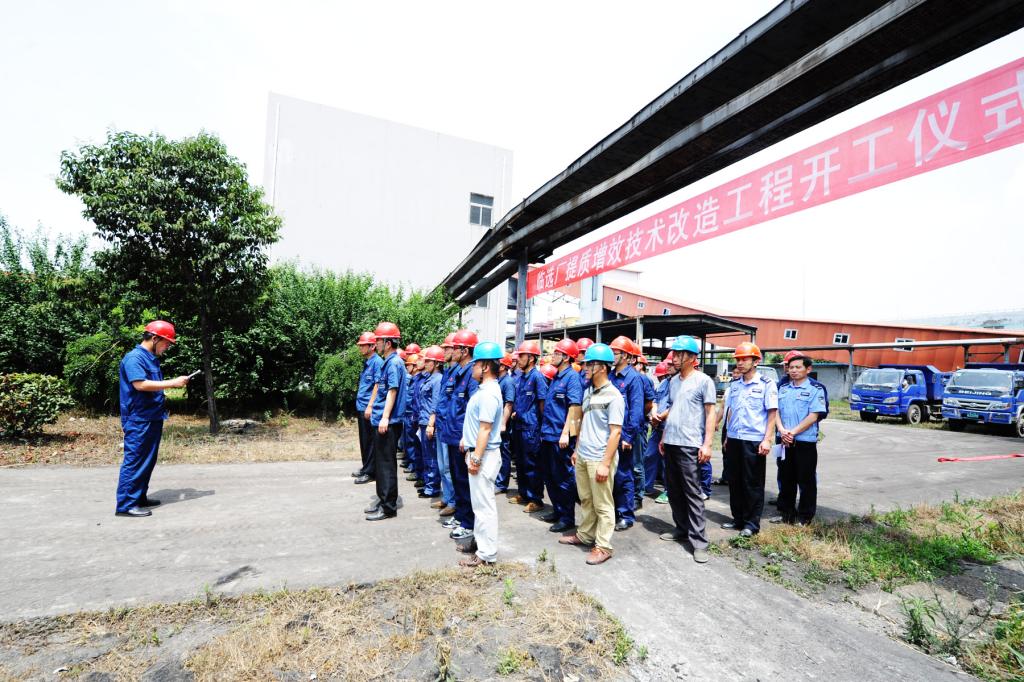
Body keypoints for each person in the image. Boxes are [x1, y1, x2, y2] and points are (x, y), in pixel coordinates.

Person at [115, 321, 191, 517]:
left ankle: (138, 497)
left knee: (147, 461)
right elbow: (140, 384)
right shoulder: (134, 358)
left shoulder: (150, 358)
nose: (167, 347)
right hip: (139, 419)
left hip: (152, 416)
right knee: (135, 461)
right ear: (155, 338)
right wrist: (173, 383)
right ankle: (126, 505)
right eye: (167, 343)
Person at [558, 343, 623, 565]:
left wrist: (605, 463)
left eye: (589, 364)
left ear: (602, 367)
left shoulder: (614, 396)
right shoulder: (588, 392)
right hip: (584, 455)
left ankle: (603, 546)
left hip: (599, 458)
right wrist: (577, 450)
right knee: (586, 498)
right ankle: (585, 535)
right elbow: (583, 423)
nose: (585, 368)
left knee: (603, 504)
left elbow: (615, 433)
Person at [657, 337, 717, 563]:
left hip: (690, 444)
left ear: (692, 357)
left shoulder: (703, 381)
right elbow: (673, 409)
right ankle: (681, 528)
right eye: (673, 353)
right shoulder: (673, 381)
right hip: (671, 442)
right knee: (673, 490)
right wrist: (664, 436)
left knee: (692, 492)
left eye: (679, 354)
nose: (674, 357)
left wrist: (707, 443)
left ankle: (699, 542)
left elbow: (710, 413)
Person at [456, 341, 506, 568]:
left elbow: (485, 429)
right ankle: (480, 545)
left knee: (484, 506)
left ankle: (486, 554)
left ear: (485, 367)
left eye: (476, 364)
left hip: (484, 456)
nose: (473, 368)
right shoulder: (485, 390)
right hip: (479, 452)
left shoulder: (489, 393)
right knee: (479, 505)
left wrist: (475, 457)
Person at [721, 342, 778, 537]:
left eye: (744, 359)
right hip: (735, 439)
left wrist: (767, 439)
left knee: (752, 483)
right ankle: (738, 519)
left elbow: (772, 413)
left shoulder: (766, 384)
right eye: (738, 359)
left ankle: (751, 524)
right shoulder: (735, 385)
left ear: (756, 361)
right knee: (735, 481)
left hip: (754, 440)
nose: (740, 363)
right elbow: (730, 411)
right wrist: (728, 436)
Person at [772, 353, 827, 525]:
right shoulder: (782, 389)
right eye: (791, 367)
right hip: (783, 441)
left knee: (806, 480)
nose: (793, 370)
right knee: (786, 478)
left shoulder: (815, 389)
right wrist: (782, 430)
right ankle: (786, 514)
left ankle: (805, 517)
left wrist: (792, 433)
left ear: (808, 369)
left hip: (804, 442)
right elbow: (775, 411)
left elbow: (814, 415)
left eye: (798, 367)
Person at [539, 338, 584, 534]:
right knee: (550, 476)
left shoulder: (572, 378)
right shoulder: (557, 376)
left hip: (561, 437)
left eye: (557, 353)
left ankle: (567, 517)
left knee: (563, 478)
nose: (553, 356)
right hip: (548, 435)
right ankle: (557, 510)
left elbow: (575, 407)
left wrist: (566, 433)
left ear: (566, 357)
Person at [365, 321, 407, 521]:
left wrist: (385, 417)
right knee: (382, 465)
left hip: (388, 423)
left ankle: (388, 507)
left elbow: (392, 391)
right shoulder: (389, 362)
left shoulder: (394, 363)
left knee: (386, 466)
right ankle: (384, 500)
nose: (376, 344)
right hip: (384, 421)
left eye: (379, 341)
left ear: (388, 343)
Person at [442, 330, 480, 541]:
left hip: (461, 437)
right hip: (452, 433)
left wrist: (466, 436)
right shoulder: (458, 372)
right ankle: (460, 516)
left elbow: (472, 410)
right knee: (457, 480)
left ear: (465, 351)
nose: (452, 351)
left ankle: (468, 523)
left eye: (455, 348)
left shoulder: (471, 375)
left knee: (464, 482)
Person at [608, 336, 644, 531]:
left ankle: (626, 515)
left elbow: (636, 411)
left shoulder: (633, 378)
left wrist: (628, 437)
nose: (612, 355)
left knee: (623, 475)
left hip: (624, 436)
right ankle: (612, 511)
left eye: (615, 352)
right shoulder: (610, 376)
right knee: (610, 475)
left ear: (626, 356)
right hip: (609, 434)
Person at [509, 340, 547, 513]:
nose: (518, 359)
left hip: (531, 428)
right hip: (519, 426)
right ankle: (523, 493)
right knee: (521, 463)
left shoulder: (537, 377)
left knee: (532, 464)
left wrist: (541, 428)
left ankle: (535, 499)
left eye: (521, 356)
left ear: (531, 358)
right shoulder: (520, 377)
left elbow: (542, 404)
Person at [428, 334, 458, 518]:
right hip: (441, 424)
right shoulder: (447, 372)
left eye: (447, 348)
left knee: (448, 467)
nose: (444, 351)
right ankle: (447, 497)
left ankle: (453, 501)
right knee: (442, 466)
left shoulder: (459, 373)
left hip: (450, 427)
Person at [353, 331, 382, 485]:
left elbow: (377, 384)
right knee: (364, 440)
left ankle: (371, 472)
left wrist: (370, 406)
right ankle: (366, 468)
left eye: (363, 345)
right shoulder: (368, 362)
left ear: (372, 346)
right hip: (362, 406)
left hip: (368, 408)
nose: (361, 348)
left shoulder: (377, 362)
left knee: (370, 441)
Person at [417, 346, 444, 500]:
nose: (425, 363)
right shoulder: (430, 378)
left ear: (437, 363)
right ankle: (429, 484)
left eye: (429, 361)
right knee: (426, 455)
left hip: (429, 422)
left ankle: (432, 488)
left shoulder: (438, 379)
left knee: (431, 456)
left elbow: (435, 403)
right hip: (423, 421)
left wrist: (430, 424)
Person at [646, 360, 674, 502]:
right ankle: (646, 486)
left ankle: (669, 491)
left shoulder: (680, 383)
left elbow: (675, 405)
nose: (668, 366)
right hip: (658, 426)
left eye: (670, 364)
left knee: (668, 462)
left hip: (670, 428)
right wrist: (654, 414)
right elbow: (655, 400)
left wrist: (661, 417)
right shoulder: (664, 383)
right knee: (649, 455)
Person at [632, 350, 655, 510]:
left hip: (639, 426)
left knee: (637, 463)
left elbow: (649, 403)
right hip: (625, 426)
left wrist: (639, 416)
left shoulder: (644, 379)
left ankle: (638, 497)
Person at [495, 353, 517, 494]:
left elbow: (509, 404)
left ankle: (502, 484)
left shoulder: (508, 382)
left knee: (503, 453)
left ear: (503, 367)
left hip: (503, 425)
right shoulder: (499, 380)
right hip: (495, 423)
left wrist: (503, 423)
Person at [402, 353, 424, 486]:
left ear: (414, 366)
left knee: (414, 443)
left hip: (413, 415)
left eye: (408, 365)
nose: (407, 367)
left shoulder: (418, 380)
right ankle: (413, 466)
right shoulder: (414, 379)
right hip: (409, 414)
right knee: (410, 441)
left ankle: (416, 468)